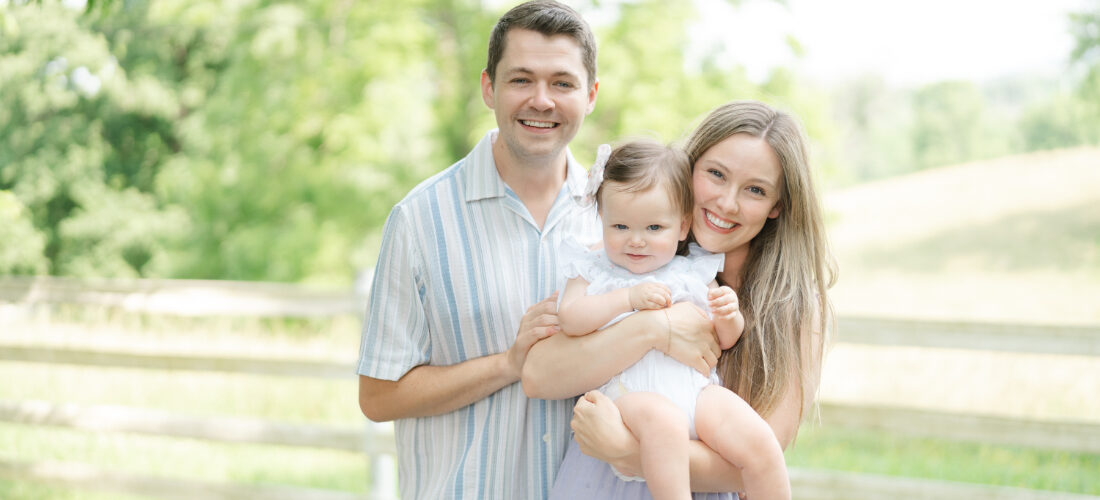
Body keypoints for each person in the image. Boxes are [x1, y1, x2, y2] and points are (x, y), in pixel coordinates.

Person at [356, 1, 724, 499]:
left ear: (590, 95)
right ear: (489, 87)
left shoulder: (629, 216)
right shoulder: (420, 220)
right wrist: (507, 364)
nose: (542, 101)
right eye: (521, 80)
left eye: (563, 83)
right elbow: (378, 396)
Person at [524, 100, 836, 499]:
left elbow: (761, 455)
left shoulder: (792, 302)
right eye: (716, 174)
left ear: (778, 205)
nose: (727, 202)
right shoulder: (629, 257)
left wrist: (630, 451)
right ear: (689, 169)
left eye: (755, 190)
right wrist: (655, 328)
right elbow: (538, 373)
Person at [555, 139, 790, 500]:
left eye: (653, 229)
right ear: (601, 220)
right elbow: (570, 318)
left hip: (696, 392)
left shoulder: (693, 270)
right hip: (629, 394)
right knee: (665, 423)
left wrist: (730, 317)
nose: (636, 241)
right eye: (620, 227)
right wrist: (626, 298)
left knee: (762, 444)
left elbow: (720, 341)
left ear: (682, 227)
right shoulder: (592, 268)